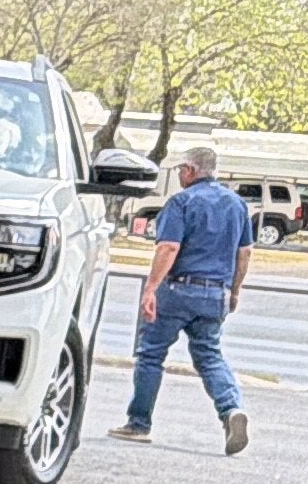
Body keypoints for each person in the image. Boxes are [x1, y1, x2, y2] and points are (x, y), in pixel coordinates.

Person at [109, 145, 255, 453]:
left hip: (178, 289)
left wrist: (150, 289)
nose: (178, 175)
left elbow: (169, 248)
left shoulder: (181, 202)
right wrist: (235, 291)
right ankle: (231, 409)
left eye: (180, 170)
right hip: (215, 292)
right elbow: (245, 253)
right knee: (209, 356)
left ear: (190, 170)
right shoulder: (237, 204)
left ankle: (139, 423)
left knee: (151, 354)